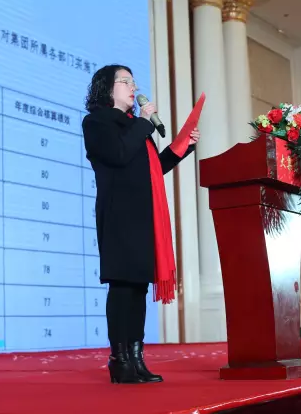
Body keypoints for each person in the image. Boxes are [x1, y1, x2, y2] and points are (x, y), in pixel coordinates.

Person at [82, 64, 200, 384]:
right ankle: (119, 360)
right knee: (122, 286)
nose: (133, 87)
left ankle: (136, 359)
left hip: (143, 215)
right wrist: (145, 123)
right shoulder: (97, 122)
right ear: (107, 88)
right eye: (125, 81)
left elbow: (152, 168)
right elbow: (119, 154)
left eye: (133, 82)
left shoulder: (136, 125)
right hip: (119, 216)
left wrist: (183, 146)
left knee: (138, 287)